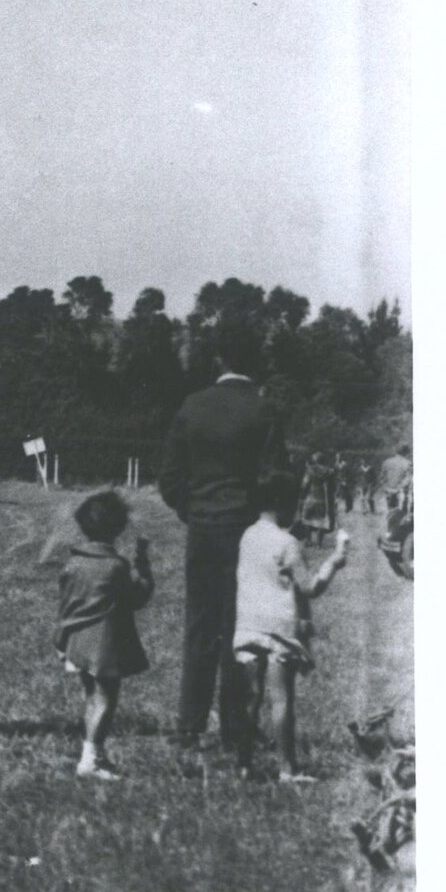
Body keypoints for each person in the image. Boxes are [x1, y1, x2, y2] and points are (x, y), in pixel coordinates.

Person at [156, 323, 289, 756]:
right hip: (247, 531)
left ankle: (188, 726)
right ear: (257, 360)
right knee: (242, 630)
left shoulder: (192, 406)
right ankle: (237, 729)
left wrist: (193, 512)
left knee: (201, 628)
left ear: (219, 360)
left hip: (203, 530)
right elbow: (276, 478)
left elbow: (170, 478)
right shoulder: (265, 409)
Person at [234, 476, 349, 782]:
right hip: (279, 628)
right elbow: (310, 587)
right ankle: (288, 768)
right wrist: (334, 562)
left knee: (251, 698)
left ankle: (244, 764)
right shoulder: (288, 543)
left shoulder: (247, 535)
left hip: (247, 623)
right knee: (281, 699)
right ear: (283, 504)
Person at [55, 490, 156, 780]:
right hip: (104, 644)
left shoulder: (73, 564)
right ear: (118, 528)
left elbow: (65, 605)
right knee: (106, 699)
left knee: (92, 697)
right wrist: (145, 570)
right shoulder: (116, 566)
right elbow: (137, 599)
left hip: (77, 641)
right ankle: (90, 759)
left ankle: (94, 754)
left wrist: (61, 640)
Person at [377, 442, 412, 515]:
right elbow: (408, 479)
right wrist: (398, 487)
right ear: (407, 453)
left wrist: (385, 487)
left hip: (388, 490)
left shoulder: (387, 462)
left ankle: (390, 525)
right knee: (400, 513)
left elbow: (381, 477)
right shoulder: (408, 463)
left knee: (390, 511)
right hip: (400, 491)